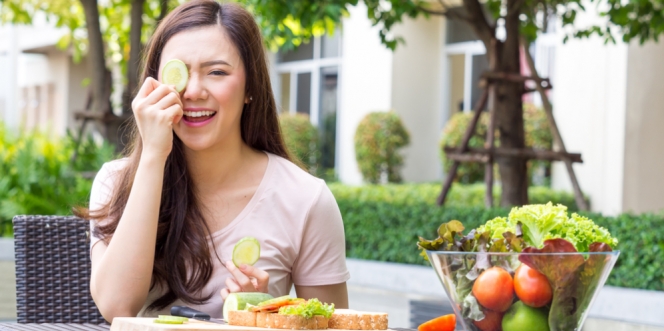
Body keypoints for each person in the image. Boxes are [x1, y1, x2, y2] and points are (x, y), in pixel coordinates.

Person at [77, 0, 349, 321]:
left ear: (250, 87)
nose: (193, 91)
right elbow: (116, 308)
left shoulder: (306, 199)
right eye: (178, 73)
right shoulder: (115, 181)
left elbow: (335, 326)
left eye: (217, 72)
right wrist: (153, 155)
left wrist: (264, 314)